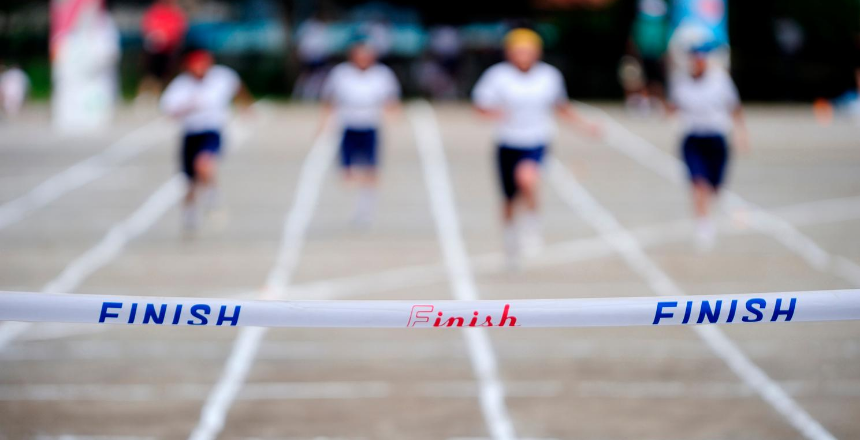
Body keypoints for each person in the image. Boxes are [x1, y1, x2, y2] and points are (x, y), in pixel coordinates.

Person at [472, 28, 600, 265]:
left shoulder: (549, 76)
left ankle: (532, 225)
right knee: (509, 199)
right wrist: (494, 112)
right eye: (518, 51)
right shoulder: (498, 76)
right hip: (508, 141)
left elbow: (561, 106)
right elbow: (480, 104)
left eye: (527, 51)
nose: (523, 56)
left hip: (536, 140)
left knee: (527, 179)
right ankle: (510, 238)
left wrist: (585, 126)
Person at [667, 42, 749, 250]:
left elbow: (734, 107)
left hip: (716, 138)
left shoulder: (720, 80)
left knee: (714, 187)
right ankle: (703, 225)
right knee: (698, 183)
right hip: (693, 138)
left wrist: (741, 133)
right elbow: (673, 107)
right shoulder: (680, 81)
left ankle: (708, 212)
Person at [160, 50, 252, 230]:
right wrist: (187, 107)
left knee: (203, 163)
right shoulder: (180, 85)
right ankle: (190, 212)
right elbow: (168, 111)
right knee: (189, 182)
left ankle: (212, 194)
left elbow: (238, 87)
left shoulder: (221, 76)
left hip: (212, 130)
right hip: (191, 133)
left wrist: (246, 106)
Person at [320, 39, 401, 226]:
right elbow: (329, 99)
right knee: (346, 174)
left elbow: (391, 99)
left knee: (371, 172)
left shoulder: (382, 74)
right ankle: (353, 206)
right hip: (349, 125)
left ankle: (364, 211)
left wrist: (394, 115)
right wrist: (323, 123)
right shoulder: (341, 73)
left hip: (370, 125)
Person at [137, 0, 187, 101]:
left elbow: (179, 30)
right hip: (153, 49)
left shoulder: (176, 12)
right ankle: (144, 97)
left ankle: (163, 96)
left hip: (169, 50)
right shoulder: (154, 11)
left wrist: (167, 38)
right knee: (150, 75)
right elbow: (147, 26)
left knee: (166, 76)